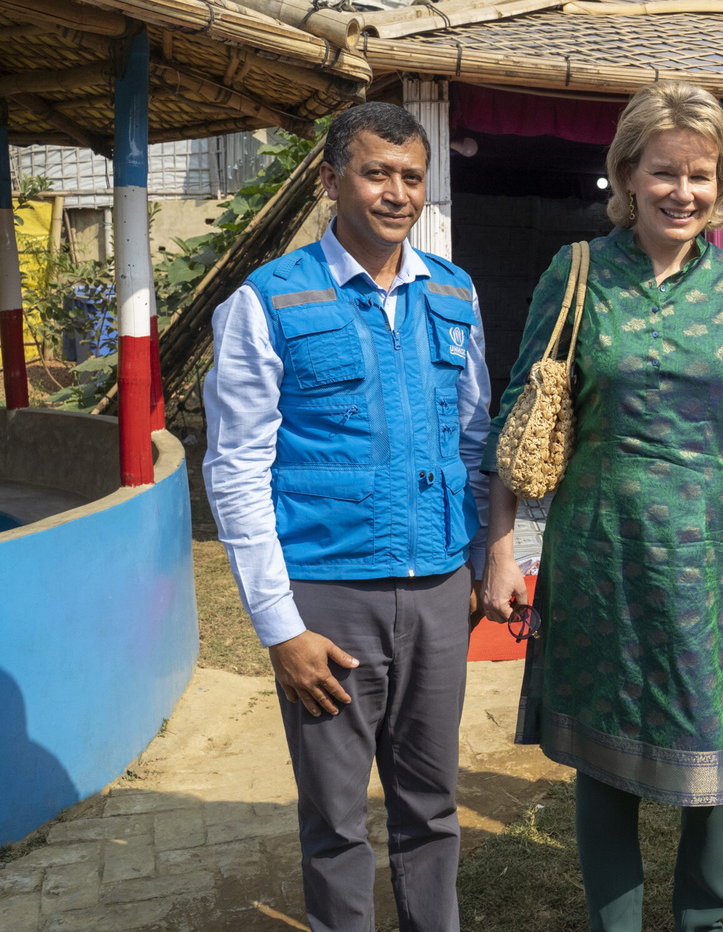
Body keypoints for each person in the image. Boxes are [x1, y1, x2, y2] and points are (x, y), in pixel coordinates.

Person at [478, 79, 723, 932]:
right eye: (664, 171)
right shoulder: (578, 272)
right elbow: (521, 411)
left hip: (714, 571)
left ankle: (704, 922)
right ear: (626, 174)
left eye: (700, 175)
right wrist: (501, 549)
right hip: (601, 558)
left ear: (721, 184)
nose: (682, 191)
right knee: (604, 762)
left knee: (715, 767)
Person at [203, 102, 491, 932]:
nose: (397, 193)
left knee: (432, 806)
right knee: (335, 819)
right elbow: (236, 468)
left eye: (411, 176)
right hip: (328, 601)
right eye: (376, 173)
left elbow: (474, 436)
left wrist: (474, 561)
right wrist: (279, 626)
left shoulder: (454, 290)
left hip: (438, 590)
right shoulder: (269, 300)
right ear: (332, 180)